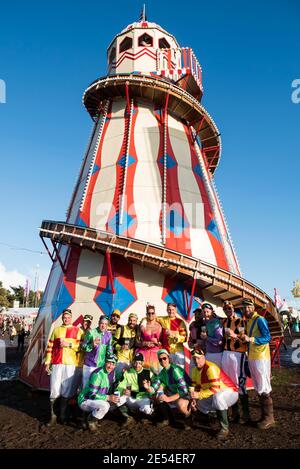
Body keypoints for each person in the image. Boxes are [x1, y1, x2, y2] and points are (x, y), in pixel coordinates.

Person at [45, 309, 84, 425]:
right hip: (57, 363)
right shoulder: (56, 330)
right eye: (64, 317)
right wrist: (48, 362)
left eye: (68, 317)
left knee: (67, 390)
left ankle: (62, 416)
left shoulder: (78, 330)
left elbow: (83, 346)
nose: (66, 319)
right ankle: (53, 416)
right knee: (54, 389)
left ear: (71, 318)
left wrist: (70, 344)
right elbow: (50, 346)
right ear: (62, 318)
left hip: (71, 363)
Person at [241, 298, 275, 429]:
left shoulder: (259, 319)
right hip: (253, 357)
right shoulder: (248, 321)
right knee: (258, 386)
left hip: (261, 357)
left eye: (249, 307)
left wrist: (251, 339)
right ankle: (264, 416)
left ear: (253, 307)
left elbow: (267, 337)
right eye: (244, 308)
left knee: (264, 386)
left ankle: (269, 418)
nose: (246, 309)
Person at [190, 348, 238, 440]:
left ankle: (224, 428)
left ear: (203, 357)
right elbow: (195, 387)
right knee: (200, 403)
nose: (196, 361)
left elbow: (215, 388)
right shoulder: (195, 370)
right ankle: (213, 417)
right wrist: (194, 399)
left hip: (230, 393)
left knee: (218, 397)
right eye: (194, 359)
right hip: (216, 393)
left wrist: (199, 395)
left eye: (198, 358)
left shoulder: (210, 368)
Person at [143, 349, 190, 427]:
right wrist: (148, 388)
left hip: (188, 394)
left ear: (169, 358)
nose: (163, 361)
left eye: (164, 358)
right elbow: (153, 389)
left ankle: (189, 416)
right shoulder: (162, 373)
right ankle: (167, 419)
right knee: (158, 394)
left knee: (181, 404)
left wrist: (168, 399)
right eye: (160, 359)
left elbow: (184, 391)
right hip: (175, 393)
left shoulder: (175, 370)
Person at [78, 354, 125, 431]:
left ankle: (94, 417)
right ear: (105, 362)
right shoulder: (97, 374)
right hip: (85, 400)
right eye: (109, 363)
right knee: (105, 406)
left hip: (98, 398)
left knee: (118, 400)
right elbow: (92, 395)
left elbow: (116, 381)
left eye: (113, 364)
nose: (110, 366)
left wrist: (122, 374)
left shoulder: (112, 373)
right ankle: (90, 420)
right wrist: (109, 397)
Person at [221, 301, 250, 423]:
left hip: (238, 354)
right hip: (226, 354)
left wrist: (233, 335)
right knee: (230, 383)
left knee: (240, 383)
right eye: (226, 309)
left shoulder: (240, 321)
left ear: (234, 309)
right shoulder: (223, 321)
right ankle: (235, 413)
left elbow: (244, 340)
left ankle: (246, 415)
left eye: (230, 308)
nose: (228, 310)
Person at [116, 353, 153, 422]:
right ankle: (128, 416)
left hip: (143, 398)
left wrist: (148, 389)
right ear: (132, 362)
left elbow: (154, 389)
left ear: (142, 362)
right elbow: (121, 386)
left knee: (147, 411)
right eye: (135, 362)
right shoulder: (127, 373)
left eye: (139, 363)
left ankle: (140, 413)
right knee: (118, 399)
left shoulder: (148, 373)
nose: (137, 365)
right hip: (131, 398)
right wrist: (123, 390)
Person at [81, 315, 113, 388]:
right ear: (98, 323)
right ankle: (83, 399)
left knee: (96, 387)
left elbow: (109, 350)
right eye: (102, 323)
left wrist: (111, 362)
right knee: (86, 386)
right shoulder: (91, 332)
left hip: (101, 366)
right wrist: (92, 345)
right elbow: (83, 347)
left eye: (105, 324)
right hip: (89, 365)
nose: (103, 326)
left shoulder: (109, 335)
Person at [157, 303, 187, 368]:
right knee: (167, 373)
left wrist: (174, 334)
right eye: (169, 309)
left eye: (173, 309)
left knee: (179, 373)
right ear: (166, 310)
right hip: (166, 351)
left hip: (178, 352)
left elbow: (184, 338)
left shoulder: (180, 322)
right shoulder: (162, 319)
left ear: (176, 310)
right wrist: (143, 322)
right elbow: (151, 318)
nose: (171, 311)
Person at [136, 305, 163, 374]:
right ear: (146, 314)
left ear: (155, 314)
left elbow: (162, 342)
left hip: (155, 353)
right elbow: (136, 341)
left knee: (156, 374)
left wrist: (157, 342)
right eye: (149, 313)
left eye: (152, 313)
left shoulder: (159, 326)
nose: (151, 314)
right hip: (143, 351)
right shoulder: (142, 325)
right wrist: (145, 343)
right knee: (142, 374)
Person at [200, 303, 223, 368]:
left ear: (212, 312)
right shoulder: (205, 322)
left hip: (216, 354)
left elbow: (219, 341)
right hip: (208, 353)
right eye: (204, 312)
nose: (206, 314)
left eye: (208, 312)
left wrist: (206, 338)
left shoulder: (216, 322)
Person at [76, 314, 93, 388]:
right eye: (86, 321)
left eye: (89, 322)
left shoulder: (92, 332)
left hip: (86, 362)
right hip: (76, 361)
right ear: (83, 321)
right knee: (74, 381)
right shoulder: (77, 330)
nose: (87, 323)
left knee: (83, 383)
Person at [188, 308, 205, 373]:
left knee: (202, 371)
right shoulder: (193, 325)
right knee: (192, 370)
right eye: (195, 314)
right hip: (194, 351)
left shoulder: (204, 324)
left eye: (199, 314)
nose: (197, 316)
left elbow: (205, 337)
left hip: (203, 352)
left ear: (202, 315)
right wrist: (191, 344)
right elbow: (190, 338)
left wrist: (200, 345)